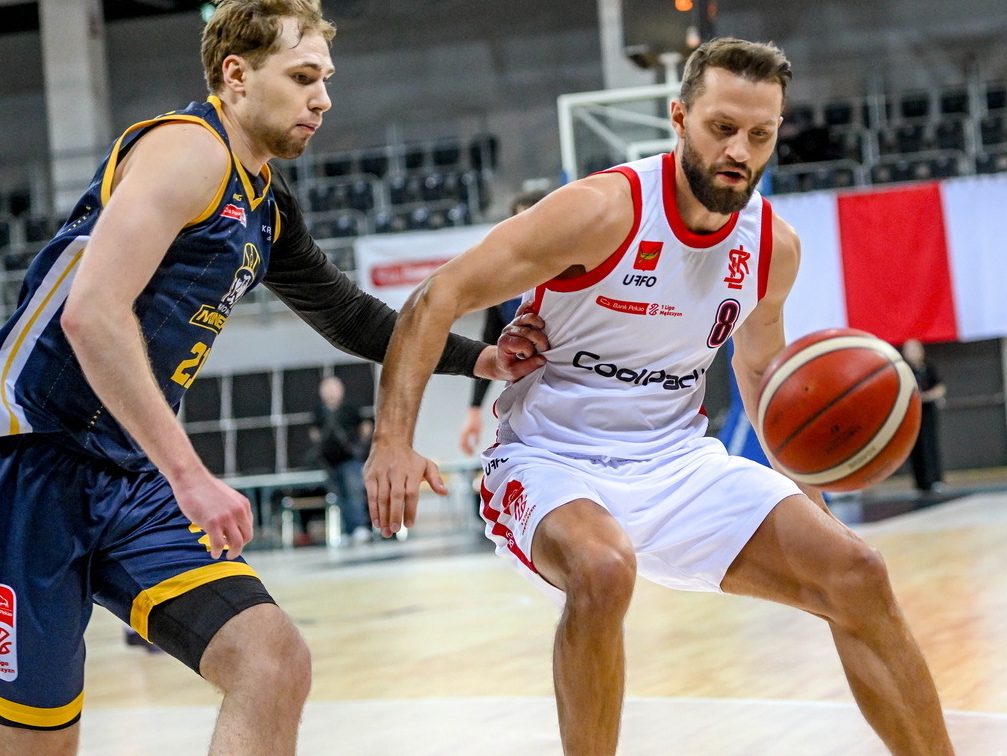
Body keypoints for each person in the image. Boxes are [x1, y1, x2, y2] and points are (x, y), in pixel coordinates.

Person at [0, 0, 544, 756]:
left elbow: (348, 314)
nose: (322, 98)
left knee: (272, 660)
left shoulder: (265, 202)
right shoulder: (187, 151)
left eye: (326, 79)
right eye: (302, 76)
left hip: (126, 479)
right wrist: (190, 477)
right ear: (235, 74)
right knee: (28, 751)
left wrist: (480, 356)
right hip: (25, 470)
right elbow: (91, 316)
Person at [364, 38, 954, 755]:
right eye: (721, 127)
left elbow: (763, 379)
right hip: (551, 458)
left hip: (676, 463)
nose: (738, 150)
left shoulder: (772, 246)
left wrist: (812, 504)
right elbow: (437, 296)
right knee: (603, 570)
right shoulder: (601, 210)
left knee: (857, 572)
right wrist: (392, 440)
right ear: (679, 118)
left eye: (759, 134)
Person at [458, 189, 548, 457]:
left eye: (534, 220)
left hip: (574, 383)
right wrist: (474, 409)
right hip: (529, 390)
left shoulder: (574, 266)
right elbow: (490, 341)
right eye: (519, 221)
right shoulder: (503, 280)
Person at [310, 374, 373, 543]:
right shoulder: (319, 410)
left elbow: (365, 426)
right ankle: (348, 529)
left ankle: (359, 526)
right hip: (330, 461)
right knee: (339, 495)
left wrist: (360, 444)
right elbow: (314, 431)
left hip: (350, 458)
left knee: (354, 493)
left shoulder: (350, 407)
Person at [901, 338, 947, 493]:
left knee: (930, 446)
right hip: (912, 414)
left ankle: (935, 479)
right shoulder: (904, 370)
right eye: (910, 350)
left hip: (927, 413)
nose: (913, 353)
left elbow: (940, 387)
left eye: (915, 349)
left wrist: (927, 396)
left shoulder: (928, 368)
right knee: (915, 448)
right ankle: (920, 482)